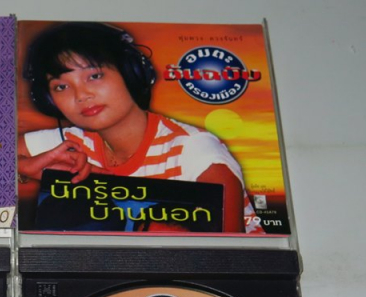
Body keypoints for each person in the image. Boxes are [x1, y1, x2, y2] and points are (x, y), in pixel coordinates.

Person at [18, 22, 259, 233]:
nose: (81, 95)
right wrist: (24, 167)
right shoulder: (71, 143)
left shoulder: (194, 151)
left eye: (94, 76)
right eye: (61, 87)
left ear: (131, 73)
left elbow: (228, 260)